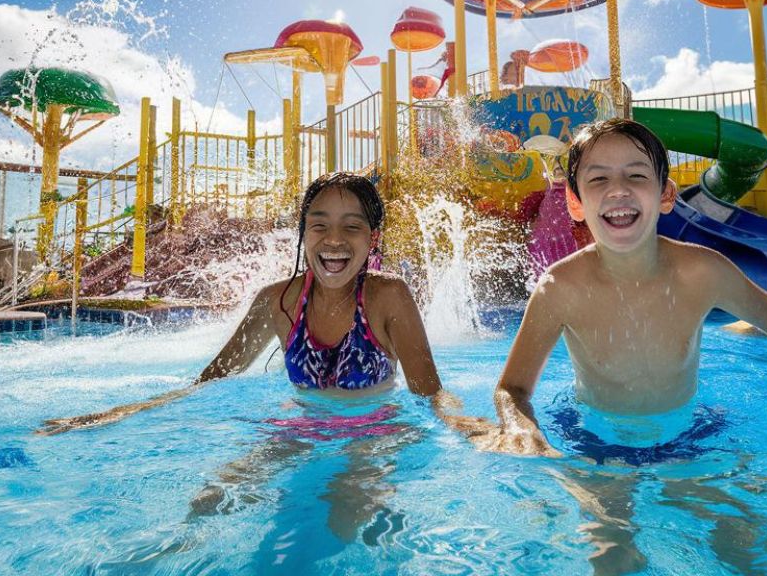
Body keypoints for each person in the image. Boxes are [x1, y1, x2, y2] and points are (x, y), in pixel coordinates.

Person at [469, 118, 767, 458]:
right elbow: (512, 388)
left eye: (636, 176)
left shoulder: (702, 271)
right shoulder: (561, 286)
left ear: (665, 195)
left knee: (743, 550)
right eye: (598, 180)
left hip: (690, 435)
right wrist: (518, 426)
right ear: (575, 203)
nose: (618, 191)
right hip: (594, 439)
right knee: (612, 554)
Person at [38, 173, 473, 521]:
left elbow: (429, 393)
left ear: (372, 238)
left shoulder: (387, 297)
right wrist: (117, 414)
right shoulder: (276, 302)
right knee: (209, 501)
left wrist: (467, 426)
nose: (334, 240)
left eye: (351, 227)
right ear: (303, 234)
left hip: (373, 432)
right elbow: (212, 379)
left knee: (346, 514)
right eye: (319, 225)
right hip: (300, 429)